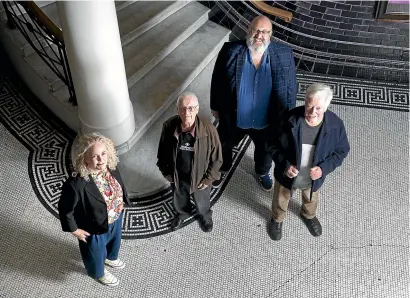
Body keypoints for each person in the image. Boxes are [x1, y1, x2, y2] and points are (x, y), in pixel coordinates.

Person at [210, 15, 297, 191]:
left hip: (266, 121)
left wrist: (288, 115)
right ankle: (224, 167)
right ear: (248, 30)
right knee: (224, 144)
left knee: (265, 151)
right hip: (235, 117)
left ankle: (262, 172)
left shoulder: (283, 54)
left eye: (264, 31)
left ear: (270, 35)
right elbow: (217, 79)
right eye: (255, 30)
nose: (259, 35)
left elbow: (290, 87)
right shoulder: (231, 50)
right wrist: (215, 106)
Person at [267, 83, 350, 240]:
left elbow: (341, 151)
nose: (312, 113)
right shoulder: (288, 120)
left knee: (311, 198)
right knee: (281, 198)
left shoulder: (336, 126)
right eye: (309, 106)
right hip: (287, 175)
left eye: (318, 108)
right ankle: (277, 219)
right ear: (305, 101)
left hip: (313, 179)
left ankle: (308, 215)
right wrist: (284, 165)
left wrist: (323, 169)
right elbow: (271, 144)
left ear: (326, 107)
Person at [58, 133, 130, 286]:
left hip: (115, 218)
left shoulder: (111, 167)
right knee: (95, 254)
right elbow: (65, 209)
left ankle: (110, 258)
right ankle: (99, 273)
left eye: (103, 153)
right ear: (85, 159)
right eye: (95, 156)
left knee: (115, 242)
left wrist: (122, 201)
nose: (101, 159)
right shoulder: (76, 184)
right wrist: (75, 230)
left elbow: (120, 185)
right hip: (93, 227)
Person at [157, 92, 222, 232]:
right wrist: (166, 172)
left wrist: (208, 178)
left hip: (201, 177)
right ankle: (182, 213)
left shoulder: (209, 129)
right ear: (177, 110)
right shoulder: (169, 126)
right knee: (180, 197)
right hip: (178, 176)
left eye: (191, 108)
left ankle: (205, 215)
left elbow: (217, 158)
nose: (187, 112)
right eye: (183, 108)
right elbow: (162, 151)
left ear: (197, 109)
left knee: (202, 200)